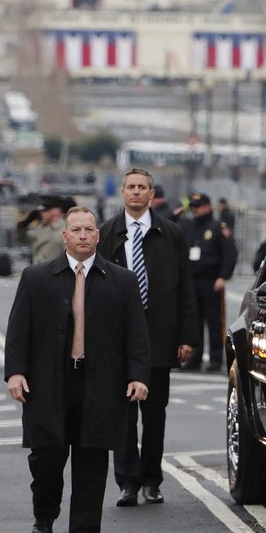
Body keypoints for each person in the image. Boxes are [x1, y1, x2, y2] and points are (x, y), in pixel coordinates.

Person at [5, 206, 150, 533]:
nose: (83, 235)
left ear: (98, 236)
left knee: (91, 462)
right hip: (48, 385)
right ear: (64, 236)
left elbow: (136, 335)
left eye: (89, 229)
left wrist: (138, 376)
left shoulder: (121, 280)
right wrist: (16, 372)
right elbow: (18, 330)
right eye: (76, 229)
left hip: (99, 385)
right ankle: (44, 516)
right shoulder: (37, 278)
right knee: (46, 461)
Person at [98, 168, 199, 507]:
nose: (136, 192)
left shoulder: (170, 233)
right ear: (122, 192)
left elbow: (186, 286)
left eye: (142, 187)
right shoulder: (107, 233)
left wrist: (187, 336)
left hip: (159, 336)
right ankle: (127, 481)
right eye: (130, 187)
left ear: (152, 193)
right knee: (123, 416)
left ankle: (151, 480)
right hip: (118, 340)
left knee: (154, 415)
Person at [180, 193, 237, 371]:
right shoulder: (188, 226)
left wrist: (223, 276)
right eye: (193, 207)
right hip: (192, 279)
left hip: (211, 279)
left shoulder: (218, 227)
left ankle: (215, 358)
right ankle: (194, 357)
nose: (195, 210)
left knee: (213, 321)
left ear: (206, 207)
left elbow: (230, 253)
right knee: (193, 321)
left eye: (198, 207)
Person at [17, 195, 67, 264]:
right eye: (41, 211)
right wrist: (25, 223)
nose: (42, 213)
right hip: (38, 271)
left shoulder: (65, 229)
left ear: (56, 211)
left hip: (54, 272)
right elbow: (21, 239)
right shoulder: (40, 227)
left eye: (45, 210)